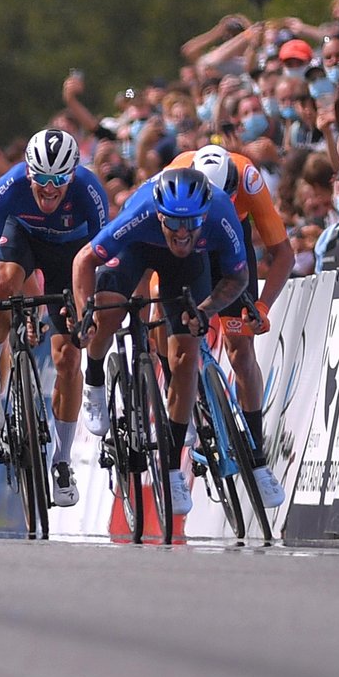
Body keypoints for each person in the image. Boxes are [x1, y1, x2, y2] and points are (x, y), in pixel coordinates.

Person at [75, 166, 251, 518]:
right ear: (159, 215)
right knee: (108, 313)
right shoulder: (141, 212)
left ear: (205, 214)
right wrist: (85, 314)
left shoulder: (220, 212)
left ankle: (171, 470)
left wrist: (205, 310)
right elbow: (84, 260)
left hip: (186, 267)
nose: (182, 232)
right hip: (136, 249)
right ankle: (94, 378)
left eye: (191, 223)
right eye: (174, 222)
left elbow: (238, 277)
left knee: (185, 358)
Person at [0, 129, 112, 507]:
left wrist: (87, 311)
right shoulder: (9, 187)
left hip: (72, 258)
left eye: (59, 179)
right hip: (22, 241)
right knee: (1, 283)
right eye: (41, 177)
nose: (49, 187)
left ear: (72, 174)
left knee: (69, 358)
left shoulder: (89, 192)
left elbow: (99, 261)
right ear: (28, 172)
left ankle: (61, 461)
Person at [174, 142, 293, 508]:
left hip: (229, 245)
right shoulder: (175, 174)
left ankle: (258, 460)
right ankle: (186, 414)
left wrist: (263, 306)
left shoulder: (248, 177)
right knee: (176, 343)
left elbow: (283, 253)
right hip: (184, 240)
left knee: (241, 351)